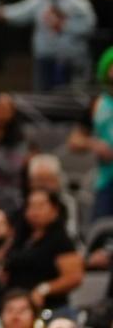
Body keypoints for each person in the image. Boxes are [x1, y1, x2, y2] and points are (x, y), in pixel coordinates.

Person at [0, 0, 96, 90]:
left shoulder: (78, 1)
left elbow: (89, 26)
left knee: (70, 96)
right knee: (43, 95)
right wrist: (3, 13)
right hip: (45, 58)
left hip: (71, 58)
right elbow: (20, 11)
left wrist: (65, 26)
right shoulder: (39, 0)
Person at [2, 188, 83, 312]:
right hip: (15, 303)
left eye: (40, 206)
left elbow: (74, 277)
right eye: (31, 206)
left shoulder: (61, 240)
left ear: (54, 209)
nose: (34, 211)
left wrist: (44, 289)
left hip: (50, 307)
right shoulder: (22, 237)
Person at [72, 46, 113, 221]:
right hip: (107, 179)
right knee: (101, 233)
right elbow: (74, 141)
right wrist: (94, 144)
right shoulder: (98, 104)